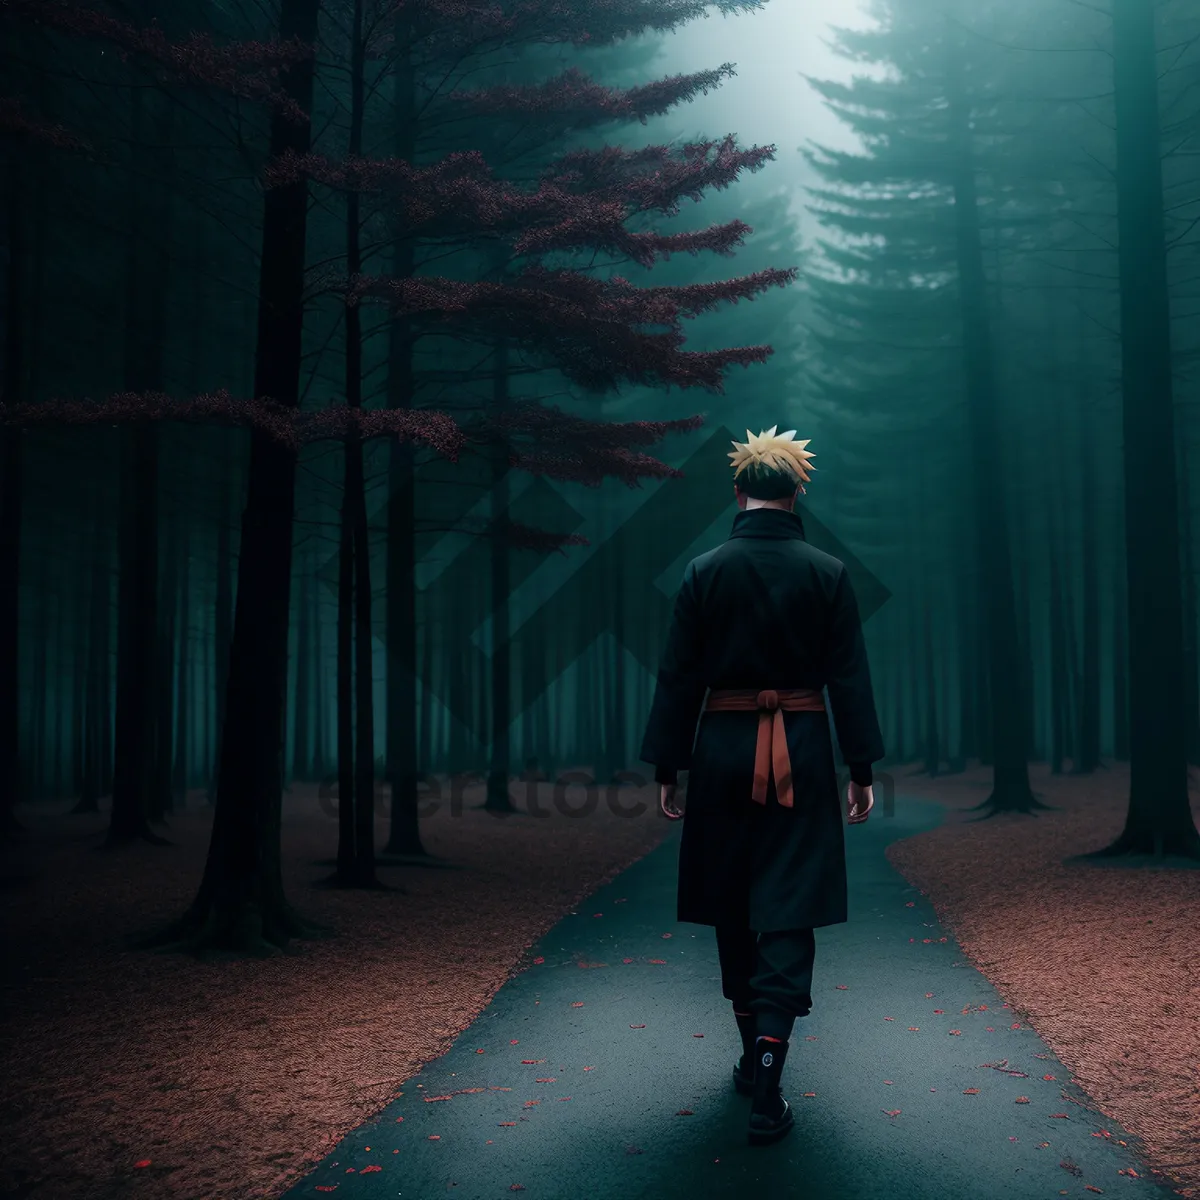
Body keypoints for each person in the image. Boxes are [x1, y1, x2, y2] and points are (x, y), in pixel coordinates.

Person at [638, 426, 883, 1147]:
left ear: (736, 490)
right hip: (802, 753)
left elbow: (679, 676)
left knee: (731, 902)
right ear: (797, 490)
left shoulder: (703, 571)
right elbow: (849, 679)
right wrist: (860, 768)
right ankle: (769, 1085)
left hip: (719, 751)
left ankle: (751, 1056)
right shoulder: (829, 573)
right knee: (789, 904)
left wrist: (668, 766)